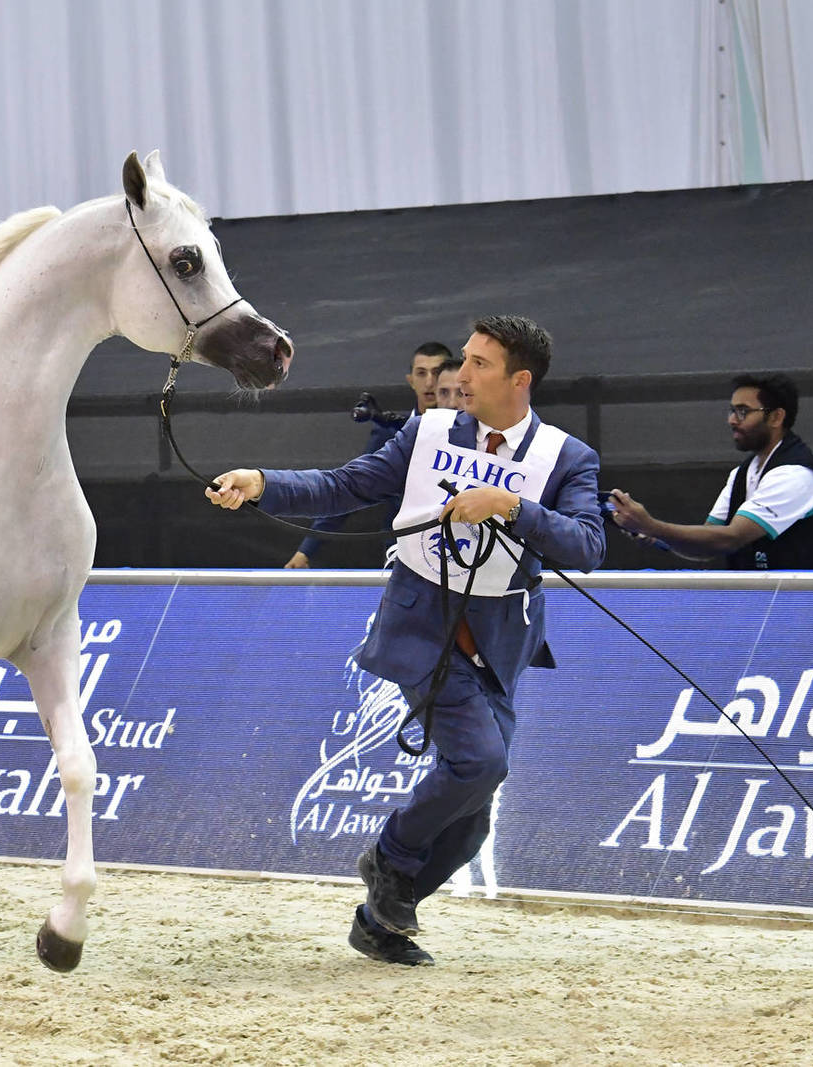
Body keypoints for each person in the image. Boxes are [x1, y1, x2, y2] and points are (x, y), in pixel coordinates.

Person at [207, 315, 604, 965]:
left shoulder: (566, 457)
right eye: (464, 361)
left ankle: (379, 921)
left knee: (472, 815)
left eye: (479, 364)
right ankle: (389, 855)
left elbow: (588, 546)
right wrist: (263, 483)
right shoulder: (426, 432)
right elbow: (345, 485)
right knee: (481, 762)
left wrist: (507, 504)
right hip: (421, 623)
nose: (461, 374)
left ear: (519, 379)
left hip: (500, 642)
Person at [608, 373, 813, 569]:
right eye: (732, 410)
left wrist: (651, 526)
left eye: (743, 411)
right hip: (757, 600)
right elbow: (707, 545)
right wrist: (651, 535)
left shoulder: (795, 475)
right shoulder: (741, 474)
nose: (732, 420)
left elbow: (730, 538)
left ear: (776, 417)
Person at [286, 342, 454, 568]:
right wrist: (306, 551)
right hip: (402, 553)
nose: (430, 382)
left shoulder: (479, 433)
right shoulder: (391, 431)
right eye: (421, 373)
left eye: (437, 373)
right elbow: (352, 487)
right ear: (410, 380)